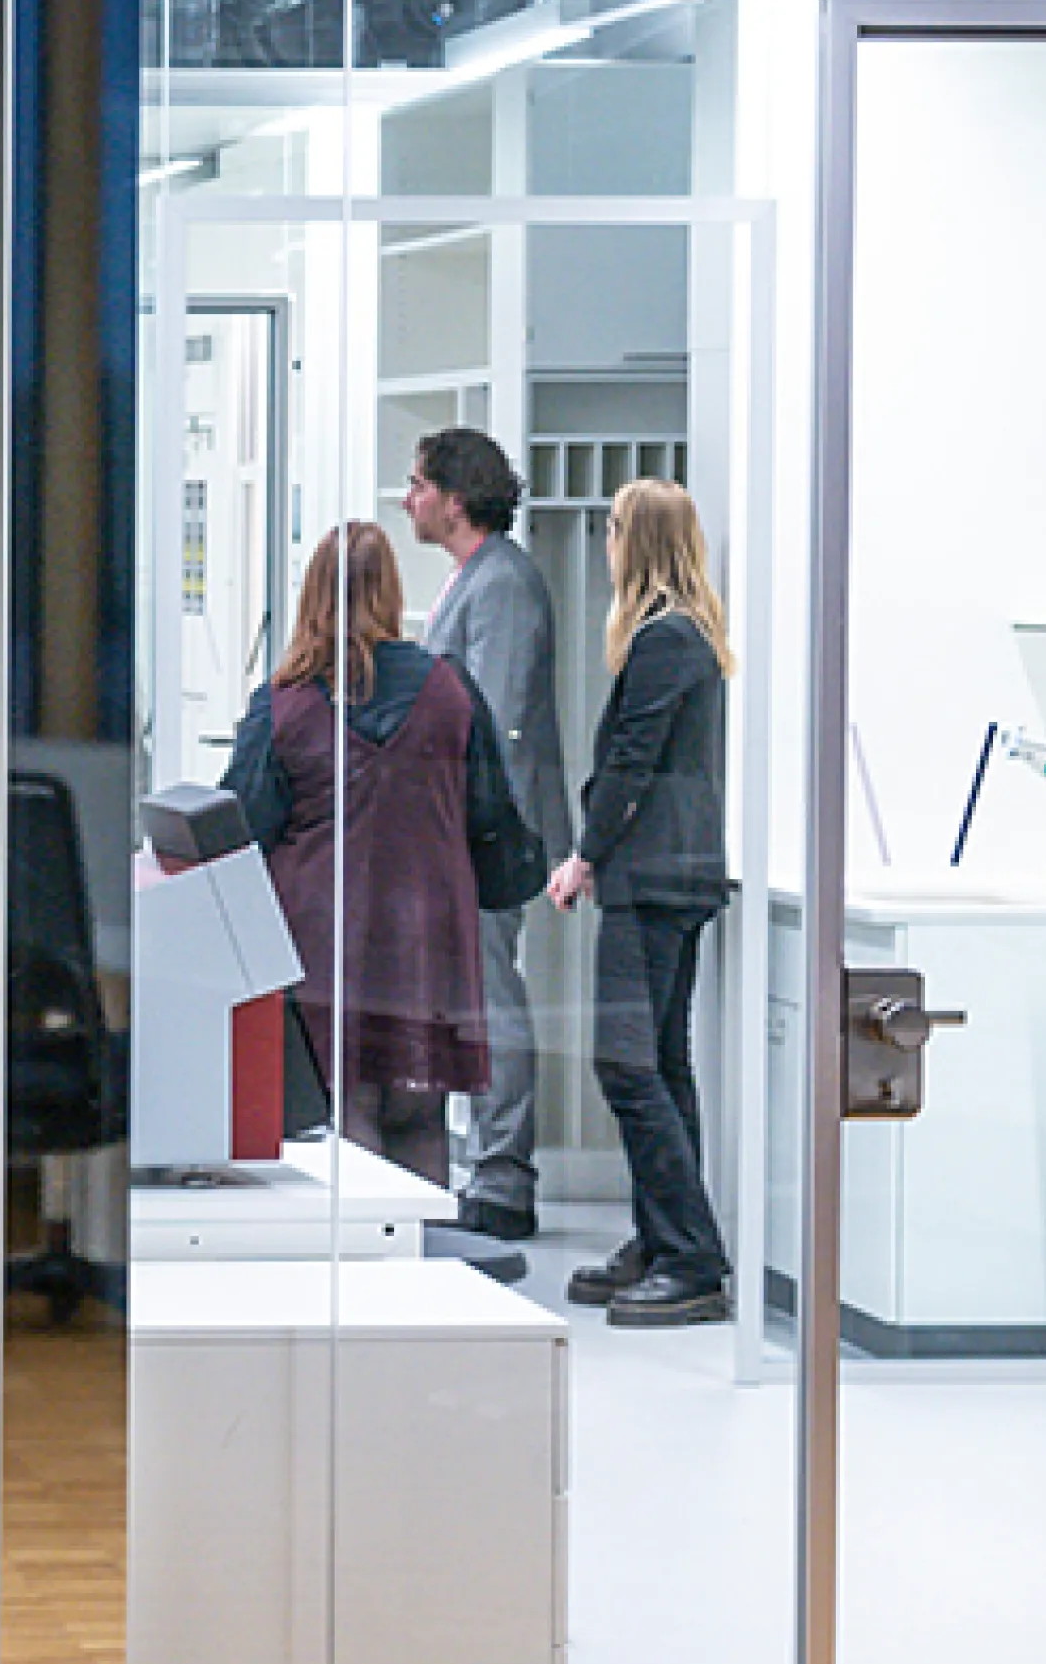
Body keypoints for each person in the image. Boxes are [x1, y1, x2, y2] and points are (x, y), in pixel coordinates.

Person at [222, 521, 538, 1187]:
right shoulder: (450, 691)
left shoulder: (283, 704)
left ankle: (359, 1272)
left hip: (321, 931)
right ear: (393, 592)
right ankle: (415, 1273)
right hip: (429, 931)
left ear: (312, 596)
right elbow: (491, 815)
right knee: (420, 1114)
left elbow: (243, 823)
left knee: (348, 1103)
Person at [553, 478, 739, 1331]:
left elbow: (632, 762)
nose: (606, 539)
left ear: (640, 540)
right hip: (680, 871)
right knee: (662, 1063)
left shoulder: (663, 640)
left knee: (626, 1066)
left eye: (614, 526)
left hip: (652, 875)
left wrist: (585, 854)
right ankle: (665, 1242)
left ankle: (692, 1255)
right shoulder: (692, 635)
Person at [408, 426, 572, 1243]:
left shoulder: (501, 585)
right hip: (464, 828)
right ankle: (487, 1163)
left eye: (418, 485)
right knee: (474, 998)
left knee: (491, 999)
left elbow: (498, 726)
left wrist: (464, 834)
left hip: (490, 831)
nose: (409, 500)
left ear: (455, 497)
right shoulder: (473, 579)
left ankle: (505, 1177)